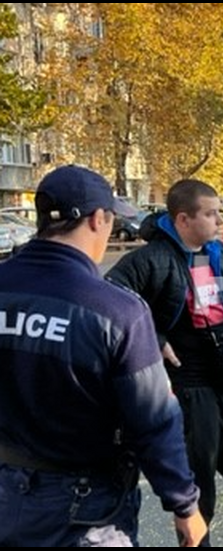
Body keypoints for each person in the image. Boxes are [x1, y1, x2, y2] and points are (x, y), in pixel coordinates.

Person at [0, 165, 207, 546]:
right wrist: (185, 505)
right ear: (98, 219)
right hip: (85, 510)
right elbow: (153, 420)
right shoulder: (117, 311)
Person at [107, 179, 223, 546]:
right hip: (192, 396)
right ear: (183, 219)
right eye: (210, 214)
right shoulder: (149, 260)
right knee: (197, 505)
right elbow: (111, 304)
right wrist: (155, 341)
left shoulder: (220, 255)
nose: (218, 221)